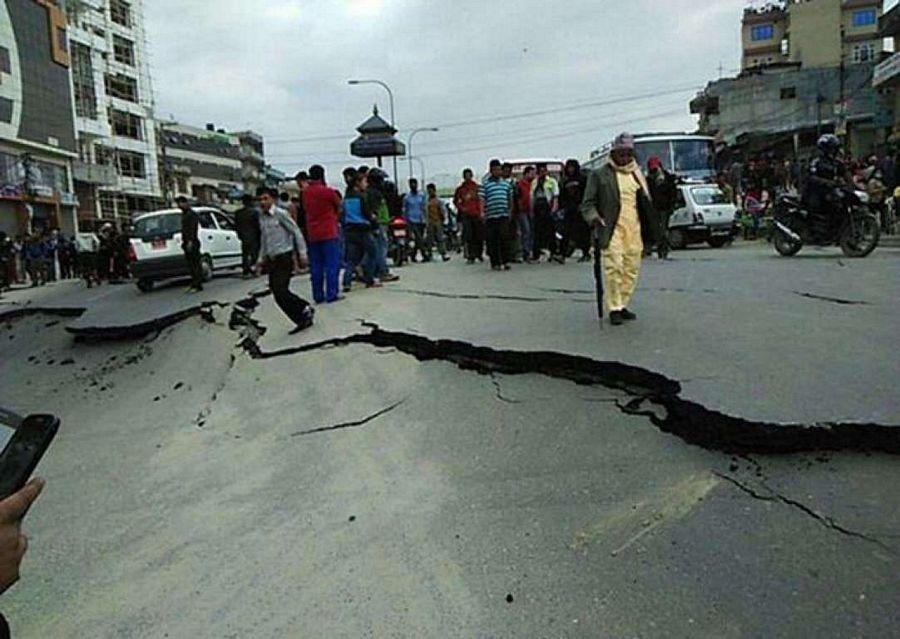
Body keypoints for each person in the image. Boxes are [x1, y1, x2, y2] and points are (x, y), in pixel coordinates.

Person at [580, 132, 658, 326]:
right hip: (611, 228)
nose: (624, 158)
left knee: (631, 268)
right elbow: (587, 204)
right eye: (621, 154)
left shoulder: (637, 174)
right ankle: (614, 307)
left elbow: (646, 202)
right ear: (613, 153)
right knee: (614, 267)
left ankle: (623, 303)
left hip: (634, 228)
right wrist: (594, 217)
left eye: (628, 154)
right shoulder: (599, 174)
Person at [254, 186, 314, 333]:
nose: (262, 202)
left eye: (265, 198)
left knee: (280, 290)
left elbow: (296, 232)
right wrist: (260, 260)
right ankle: (301, 317)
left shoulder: (281, 214)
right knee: (277, 293)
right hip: (272, 260)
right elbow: (264, 239)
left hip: (284, 257)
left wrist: (303, 254)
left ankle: (304, 308)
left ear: (273, 199)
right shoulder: (261, 217)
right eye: (260, 199)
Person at [303, 165, 343, 304]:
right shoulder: (328, 192)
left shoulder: (305, 192)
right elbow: (339, 207)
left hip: (313, 234)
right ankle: (332, 294)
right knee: (331, 264)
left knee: (316, 266)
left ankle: (318, 295)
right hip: (329, 232)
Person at [803, 134, 847, 242]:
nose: (834, 151)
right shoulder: (815, 161)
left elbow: (846, 175)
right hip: (814, 192)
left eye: (835, 148)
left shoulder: (836, 163)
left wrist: (854, 187)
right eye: (832, 148)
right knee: (816, 207)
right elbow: (811, 177)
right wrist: (827, 182)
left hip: (830, 192)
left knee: (839, 205)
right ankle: (813, 231)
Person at [342, 172, 380, 291]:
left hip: (350, 230)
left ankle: (346, 282)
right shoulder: (361, 197)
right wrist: (375, 222)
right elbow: (367, 214)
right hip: (363, 230)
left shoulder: (346, 197)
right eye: (364, 181)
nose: (366, 184)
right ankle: (370, 279)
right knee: (373, 253)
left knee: (351, 259)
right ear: (358, 183)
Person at [479, 159, 515, 271]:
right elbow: (482, 200)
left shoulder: (506, 184)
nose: (497, 171)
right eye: (495, 169)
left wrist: (510, 211)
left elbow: (510, 199)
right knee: (492, 240)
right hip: (491, 217)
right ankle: (495, 263)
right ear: (491, 170)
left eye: (499, 169)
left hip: (503, 215)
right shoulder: (485, 185)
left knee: (504, 238)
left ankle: (506, 261)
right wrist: (482, 212)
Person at [364, 168, 399, 282]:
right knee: (381, 249)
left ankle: (375, 271)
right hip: (379, 224)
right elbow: (374, 211)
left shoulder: (373, 192)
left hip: (382, 223)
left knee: (378, 249)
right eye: (381, 180)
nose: (382, 182)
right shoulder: (374, 193)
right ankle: (382, 272)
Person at [646, 155, 678, 259]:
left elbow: (673, 193)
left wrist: (672, 206)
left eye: (656, 168)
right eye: (652, 169)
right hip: (653, 209)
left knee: (663, 230)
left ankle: (664, 249)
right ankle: (660, 248)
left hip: (665, 208)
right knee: (656, 230)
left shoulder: (667, 178)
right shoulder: (648, 180)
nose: (654, 171)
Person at [559, 159, 590, 262]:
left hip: (580, 209)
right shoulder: (564, 181)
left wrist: (584, 205)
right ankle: (562, 254)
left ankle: (586, 253)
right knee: (565, 231)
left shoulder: (582, 179)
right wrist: (562, 207)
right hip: (569, 209)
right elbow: (562, 196)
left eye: (572, 167)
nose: (570, 169)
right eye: (569, 167)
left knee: (583, 232)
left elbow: (587, 193)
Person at [531, 162, 560, 263]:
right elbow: (532, 197)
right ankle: (536, 255)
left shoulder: (552, 181)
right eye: (540, 171)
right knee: (537, 232)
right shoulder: (535, 182)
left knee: (551, 231)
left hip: (548, 207)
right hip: (537, 208)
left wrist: (554, 208)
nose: (542, 173)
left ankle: (554, 252)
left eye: (544, 171)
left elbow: (555, 196)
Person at [453, 168, 484, 263]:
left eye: (469, 175)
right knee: (469, 236)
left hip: (477, 214)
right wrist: (462, 208)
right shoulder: (460, 189)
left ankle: (479, 254)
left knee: (479, 235)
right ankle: (471, 256)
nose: (468, 177)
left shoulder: (476, 187)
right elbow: (456, 201)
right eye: (466, 176)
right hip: (466, 215)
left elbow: (481, 199)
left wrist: (481, 211)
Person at [176, 197, 204, 292]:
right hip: (186, 241)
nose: (179, 206)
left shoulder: (191, 215)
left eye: (180, 203)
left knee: (195, 263)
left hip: (192, 242)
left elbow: (192, 229)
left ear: (185, 203)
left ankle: (198, 284)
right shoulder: (184, 214)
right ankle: (194, 283)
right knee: (191, 264)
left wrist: (190, 241)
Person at [234, 194, 261, 278]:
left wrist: (239, 234)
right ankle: (254, 269)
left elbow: (236, 226)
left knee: (245, 254)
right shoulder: (255, 212)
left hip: (243, 236)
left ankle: (246, 271)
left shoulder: (238, 213)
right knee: (254, 254)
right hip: (254, 236)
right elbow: (258, 225)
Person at [402, 178, 427, 262]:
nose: (413, 185)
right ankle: (424, 254)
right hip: (411, 220)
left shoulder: (421, 195)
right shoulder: (407, 197)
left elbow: (424, 208)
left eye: (414, 183)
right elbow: (404, 209)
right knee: (418, 238)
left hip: (421, 220)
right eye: (411, 184)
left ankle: (413, 255)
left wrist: (425, 219)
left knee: (419, 239)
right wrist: (405, 220)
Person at [514, 166, 535, 263]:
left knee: (531, 231)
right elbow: (518, 198)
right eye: (531, 173)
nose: (533, 175)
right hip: (522, 211)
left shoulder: (533, 184)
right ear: (526, 174)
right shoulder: (520, 184)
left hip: (531, 210)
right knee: (525, 231)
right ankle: (525, 253)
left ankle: (530, 251)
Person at [425, 183, 450, 262]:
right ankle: (429, 254)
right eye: (429, 191)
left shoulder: (439, 201)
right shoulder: (426, 201)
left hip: (438, 221)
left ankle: (443, 253)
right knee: (429, 239)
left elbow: (443, 211)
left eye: (431, 191)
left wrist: (444, 220)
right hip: (429, 222)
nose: (430, 192)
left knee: (440, 238)